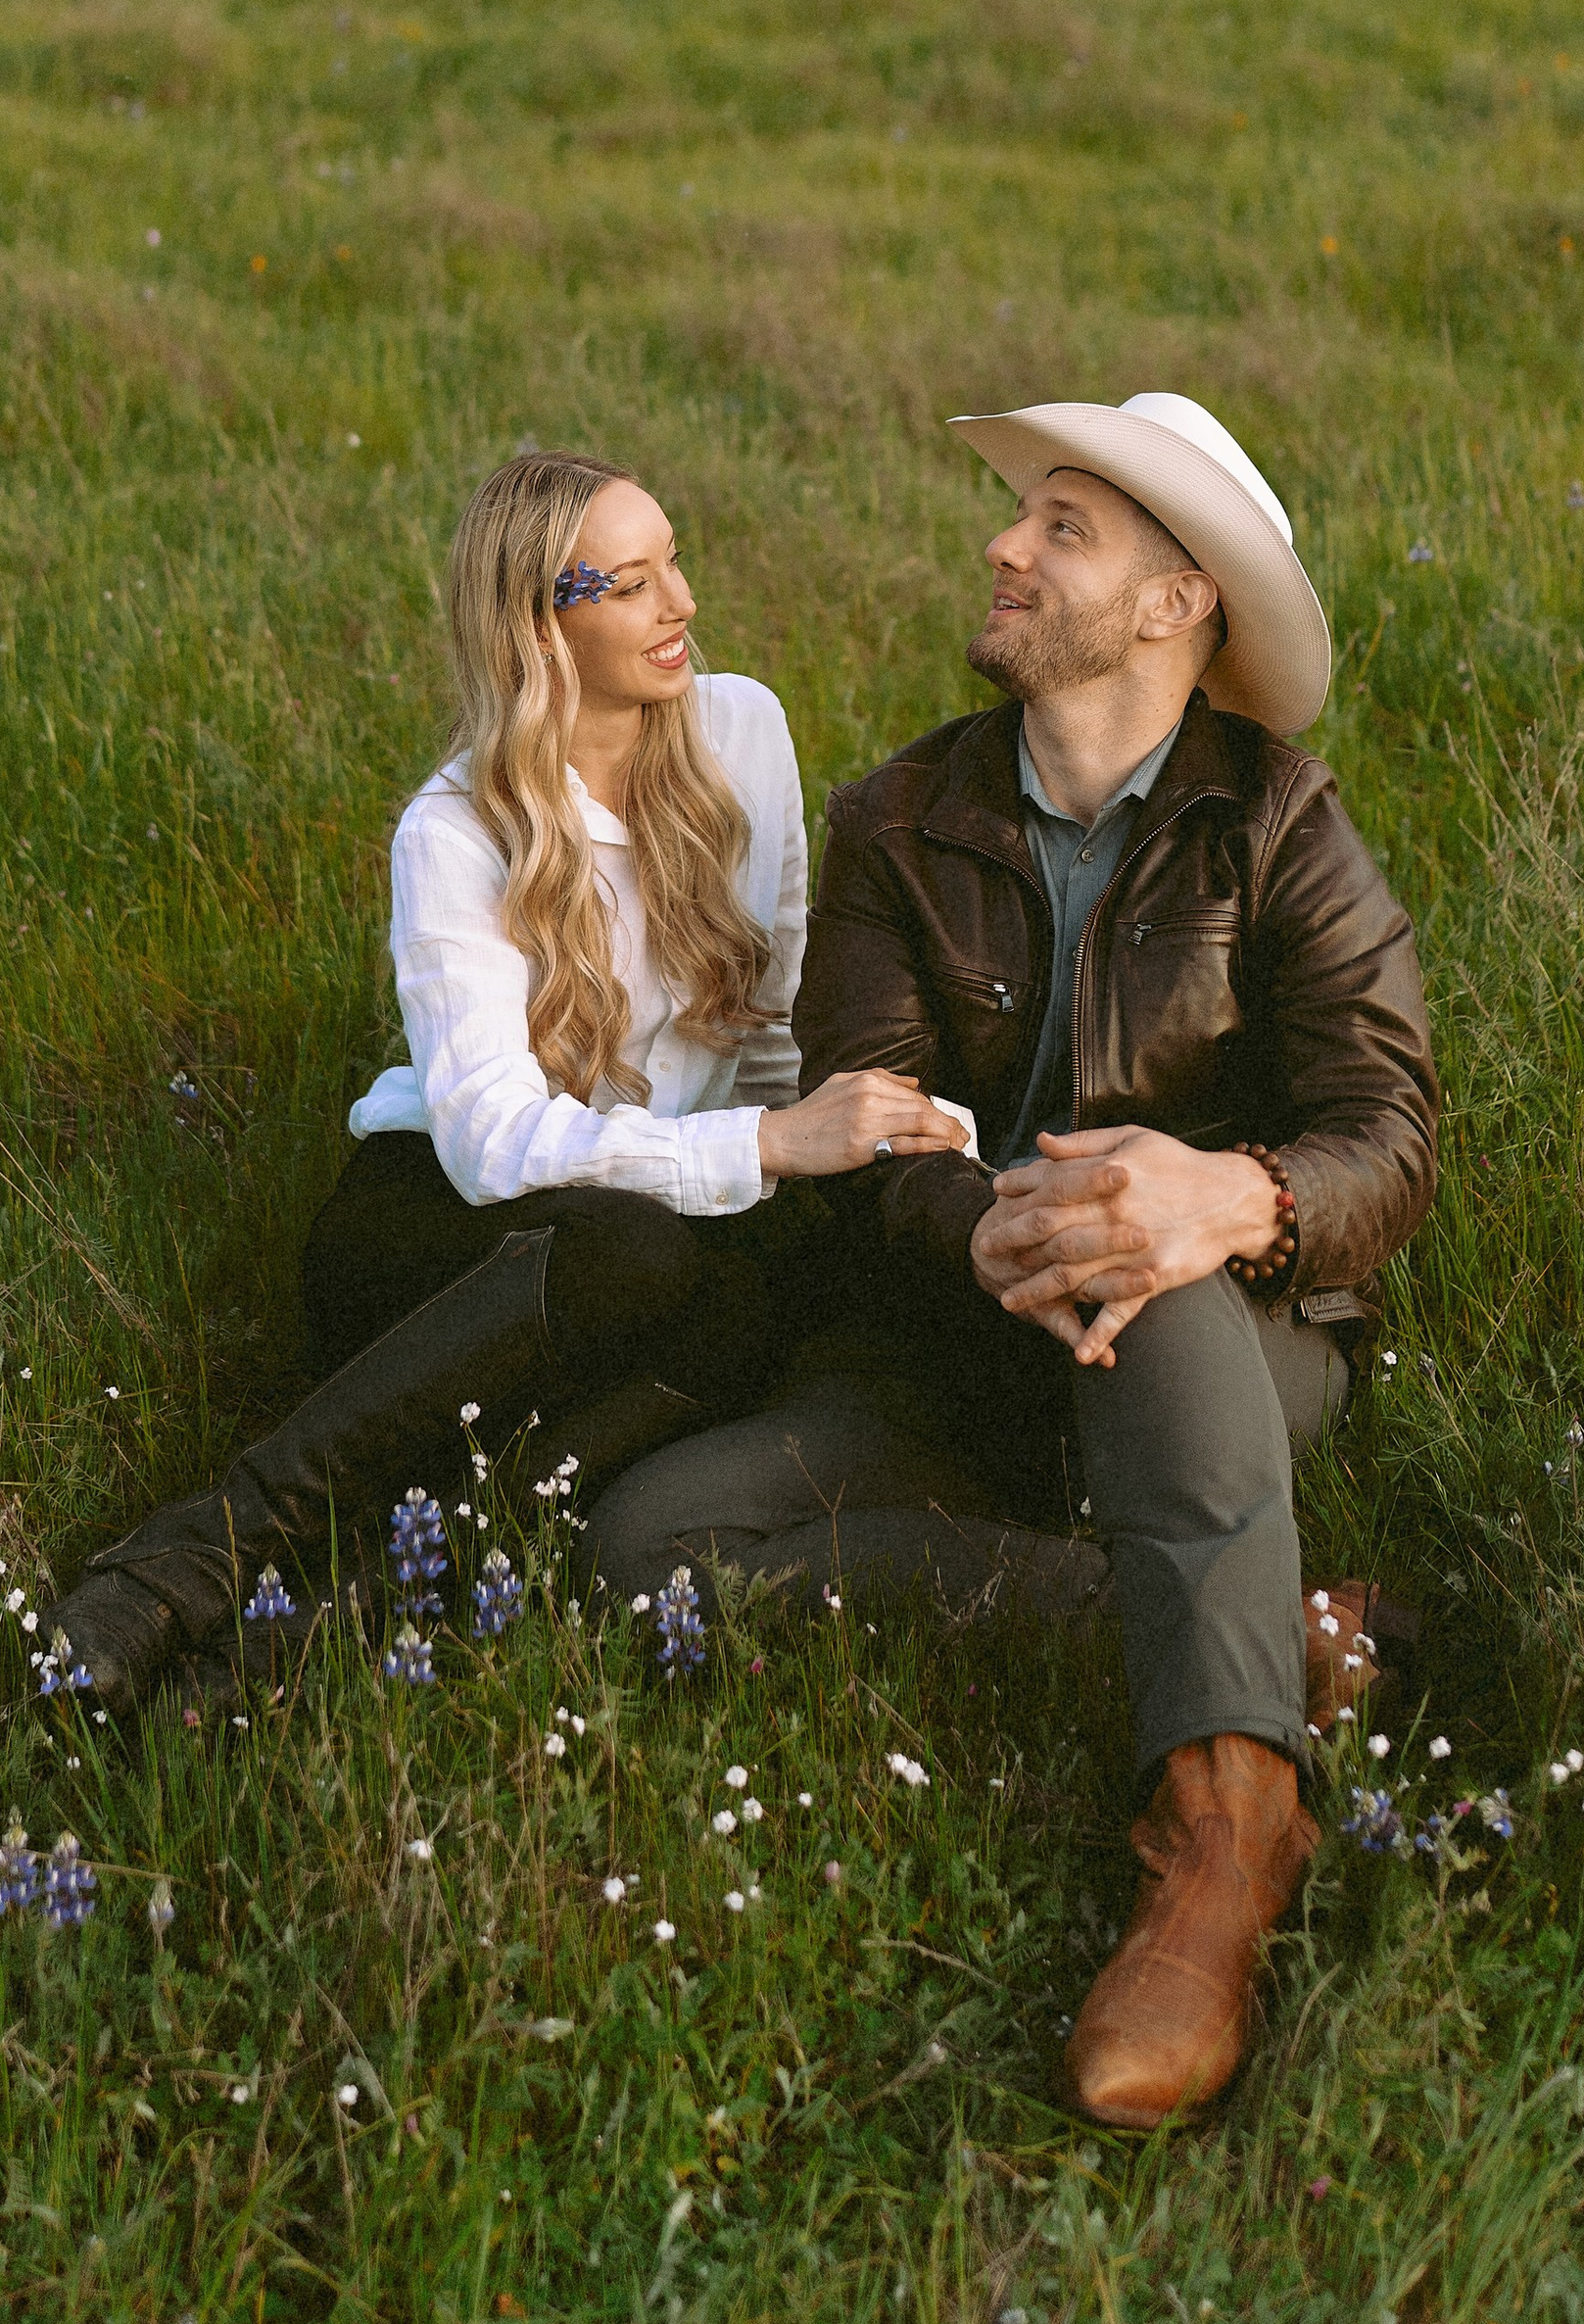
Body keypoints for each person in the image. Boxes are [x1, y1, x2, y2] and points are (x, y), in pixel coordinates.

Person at [585, 392, 1438, 2131]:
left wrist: (1230, 1199)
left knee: (1154, 1247)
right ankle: (1270, 1631)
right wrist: (1000, 1231)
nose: (1005, 546)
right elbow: (862, 1117)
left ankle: (1222, 1839)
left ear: (1172, 600)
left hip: (1220, 1345)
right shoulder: (899, 818)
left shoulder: (1277, 824)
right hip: (960, 1339)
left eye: (1065, 526)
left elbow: (1387, 1136)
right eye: (1023, 517)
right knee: (650, 1553)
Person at [45, 448, 960, 1714]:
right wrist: (762, 1152)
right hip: (436, 1238)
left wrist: (868, 1133)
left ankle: (326, 1627)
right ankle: (196, 1554)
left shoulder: (743, 729)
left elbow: (771, 1023)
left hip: (656, 1229)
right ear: (544, 623)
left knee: (747, 1307)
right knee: (642, 1258)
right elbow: (490, 1145)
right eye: (634, 584)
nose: (683, 602)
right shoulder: (455, 831)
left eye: (676, 560)